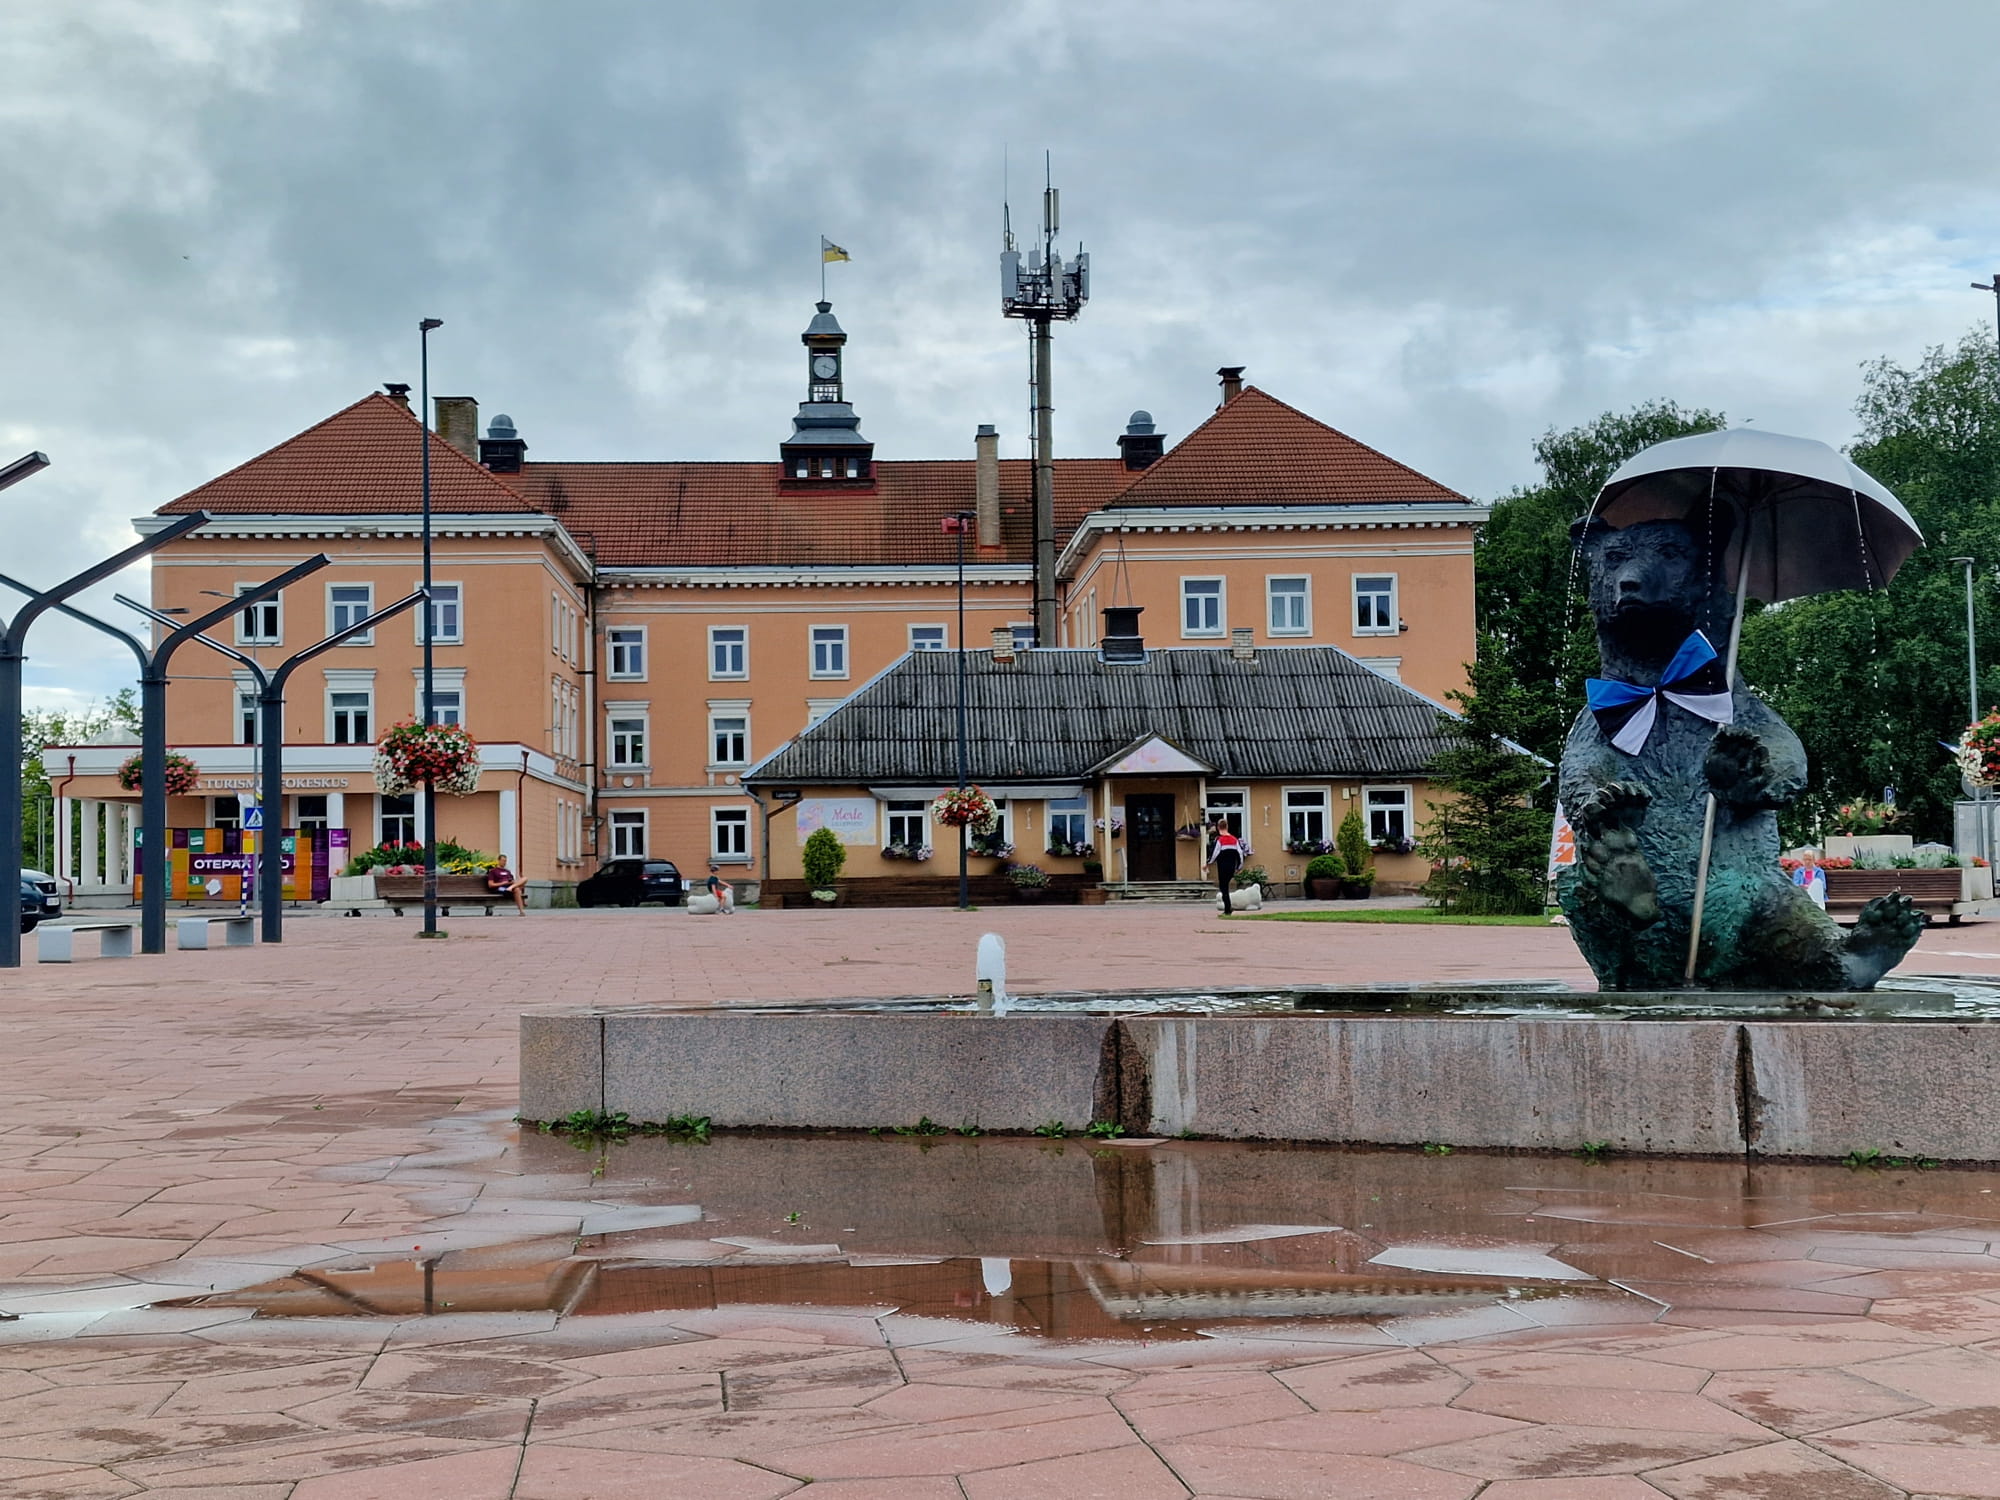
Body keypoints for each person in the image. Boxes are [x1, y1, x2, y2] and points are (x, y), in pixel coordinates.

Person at [1202, 815, 1243, 915]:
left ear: (1218, 827)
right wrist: (1239, 867)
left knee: (1223, 887)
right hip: (1232, 867)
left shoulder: (1219, 840)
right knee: (1226, 886)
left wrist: (1208, 863)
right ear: (1227, 826)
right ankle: (1228, 908)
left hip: (1222, 867)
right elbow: (1240, 854)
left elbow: (1214, 854)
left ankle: (1227, 909)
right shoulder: (1234, 840)